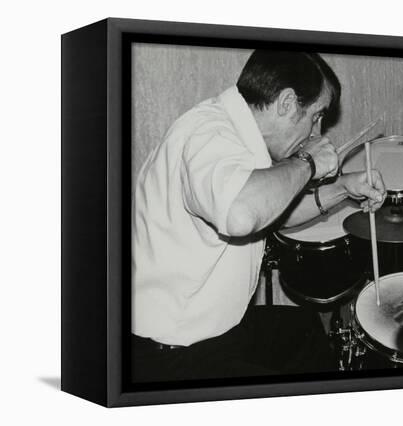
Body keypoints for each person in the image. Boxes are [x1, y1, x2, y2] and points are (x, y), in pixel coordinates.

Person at [131, 50, 386, 382]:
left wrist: (342, 189)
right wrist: (307, 162)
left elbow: (269, 212)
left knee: (305, 331)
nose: (316, 130)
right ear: (286, 103)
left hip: (211, 330)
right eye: (315, 116)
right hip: (170, 352)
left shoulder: (238, 137)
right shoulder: (208, 136)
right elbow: (240, 214)